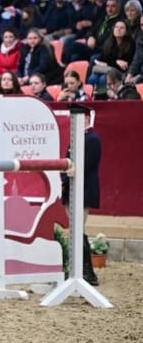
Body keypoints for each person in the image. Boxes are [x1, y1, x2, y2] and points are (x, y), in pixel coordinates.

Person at [61, 105, 101, 285]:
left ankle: (87, 271)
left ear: (85, 118)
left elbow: (85, 166)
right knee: (74, 229)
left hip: (84, 190)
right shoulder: (75, 138)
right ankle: (78, 267)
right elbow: (67, 160)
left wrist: (69, 176)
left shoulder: (92, 139)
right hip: (71, 187)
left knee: (78, 229)